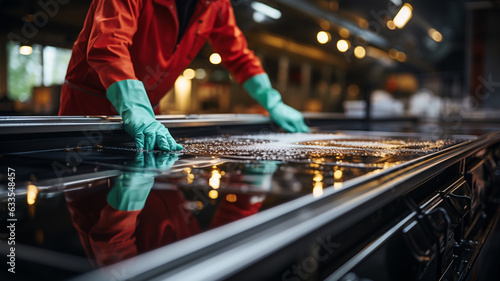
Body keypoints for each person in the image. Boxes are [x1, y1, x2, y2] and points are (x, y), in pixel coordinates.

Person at [58, 0, 310, 151]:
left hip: (148, 112)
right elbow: (108, 45)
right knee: (83, 189)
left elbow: (239, 56)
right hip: (89, 109)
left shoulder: (215, 4)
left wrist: (272, 101)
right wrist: (136, 108)